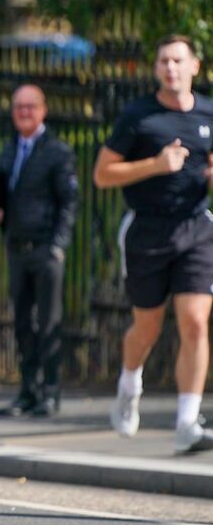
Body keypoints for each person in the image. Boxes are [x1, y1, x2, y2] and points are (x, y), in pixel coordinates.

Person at [94, 34, 213, 454]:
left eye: (179, 61)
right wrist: (156, 165)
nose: (171, 68)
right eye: (164, 61)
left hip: (197, 228)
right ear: (156, 68)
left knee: (196, 322)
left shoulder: (208, 114)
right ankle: (129, 382)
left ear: (195, 66)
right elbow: (103, 175)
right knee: (147, 327)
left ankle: (187, 422)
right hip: (147, 230)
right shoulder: (139, 116)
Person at [0, 84, 78, 418]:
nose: (24, 112)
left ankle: (50, 392)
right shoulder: (9, 149)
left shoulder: (57, 151)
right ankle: (28, 391)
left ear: (43, 110)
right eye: (18, 107)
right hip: (16, 246)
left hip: (45, 248)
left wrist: (57, 246)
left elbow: (69, 202)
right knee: (23, 322)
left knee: (49, 321)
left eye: (30, 106)